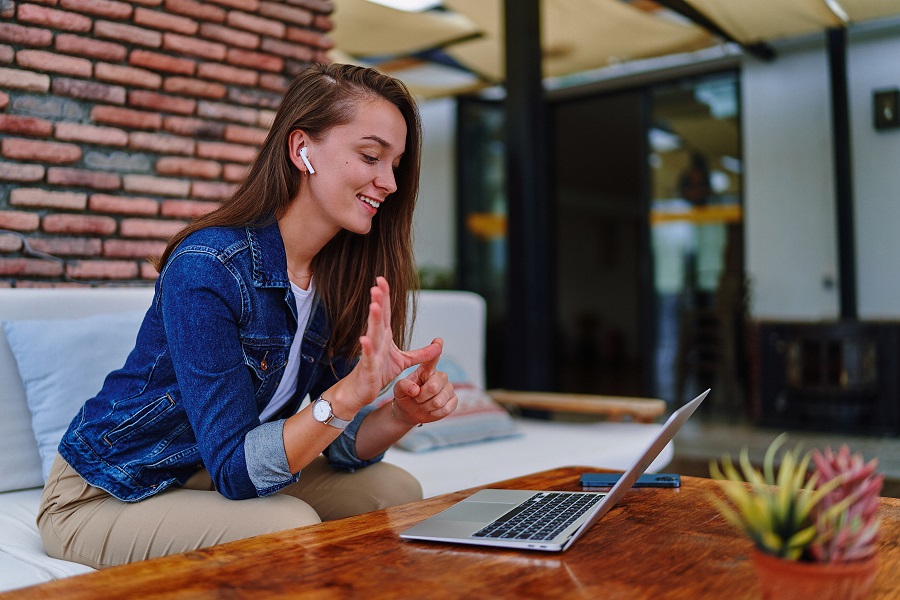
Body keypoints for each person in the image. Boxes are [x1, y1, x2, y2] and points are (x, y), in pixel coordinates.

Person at [37, 63, 458, 569]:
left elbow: (340, 445)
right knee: (285, 528)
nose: (388, 182)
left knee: (395, 490)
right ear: (302, 148)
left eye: (395, 163)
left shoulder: (334, 278)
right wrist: (345, 395)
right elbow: (239, 468)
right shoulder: (208, 268)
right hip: (111, 489)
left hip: (205, 471)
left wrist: (398, 414)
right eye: (370, 156)